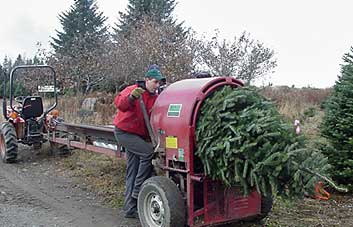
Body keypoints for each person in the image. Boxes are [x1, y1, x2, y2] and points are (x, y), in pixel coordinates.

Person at [113, 65, 165, 218]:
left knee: (133, 171)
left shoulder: (155, 97)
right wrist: (131, 98)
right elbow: (120, 104)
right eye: (155, 82)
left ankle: (130, 209)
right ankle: (137, 191)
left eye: (159, 83)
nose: (157, 85)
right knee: (147, 153)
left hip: (139, 136)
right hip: (125, 132)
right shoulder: (133, 90)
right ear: (147, 79)